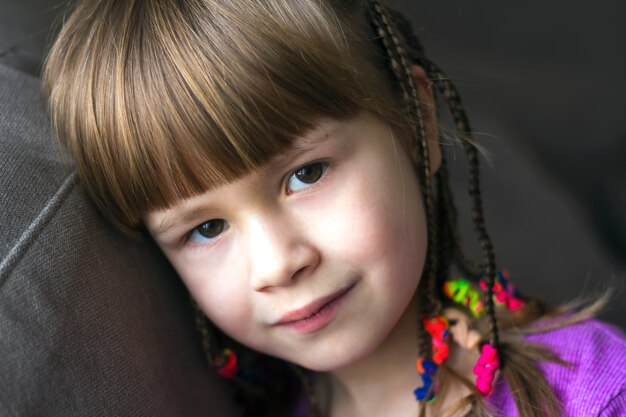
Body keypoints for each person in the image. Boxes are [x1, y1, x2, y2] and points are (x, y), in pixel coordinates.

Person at [42, 0, 625, 416]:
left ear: (417, 122)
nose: (277, 264)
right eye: (207, 227)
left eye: (306, 174)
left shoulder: (591, 392)